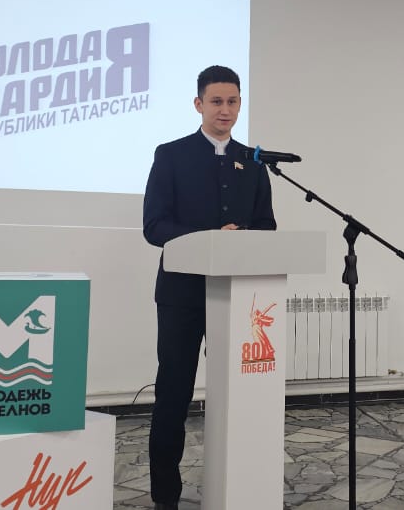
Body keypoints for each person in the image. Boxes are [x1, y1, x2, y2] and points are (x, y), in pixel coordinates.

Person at [142, 65, 276, 509]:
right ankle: (165, 496)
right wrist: (211, 238)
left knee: (240, 396)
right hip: (181, 296)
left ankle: (237, 487)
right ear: (199, 104)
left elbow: (266, 226)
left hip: (238, 299)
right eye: (216, 101)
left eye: (232, 101)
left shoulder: (253, 162)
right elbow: (154, 226)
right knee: (174, 395)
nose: (225, 110)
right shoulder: (171, 155)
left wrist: (243, 238)